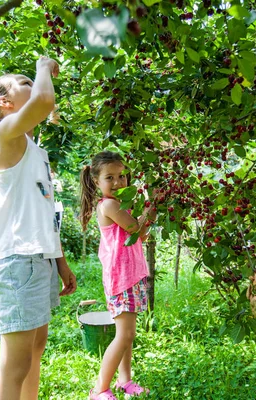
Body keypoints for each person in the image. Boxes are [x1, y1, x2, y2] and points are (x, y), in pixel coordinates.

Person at [0, 56, 77, 400]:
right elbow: (45, 101)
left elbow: (43, 214)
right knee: (14, 365)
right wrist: (43, 66)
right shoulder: (5, 134)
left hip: (38, 261)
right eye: (25, 83)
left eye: (32, 79)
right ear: (5, 103)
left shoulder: (35, 151)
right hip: (17, 263)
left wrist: (59, 263)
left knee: (34, 354)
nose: (34, 83)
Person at [79, 151, 156, 400]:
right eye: (109, 177)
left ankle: (125, 381)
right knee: (126, 334)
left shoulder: (122, 204)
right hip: (121, 277)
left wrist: (152, 209)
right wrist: (152, 204)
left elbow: (140, 235)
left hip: (131, 275)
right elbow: (135, 227)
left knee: (127, 334)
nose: (118, 182)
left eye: (122, 176)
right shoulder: (110, 205)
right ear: (96, 182)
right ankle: (99, 389)